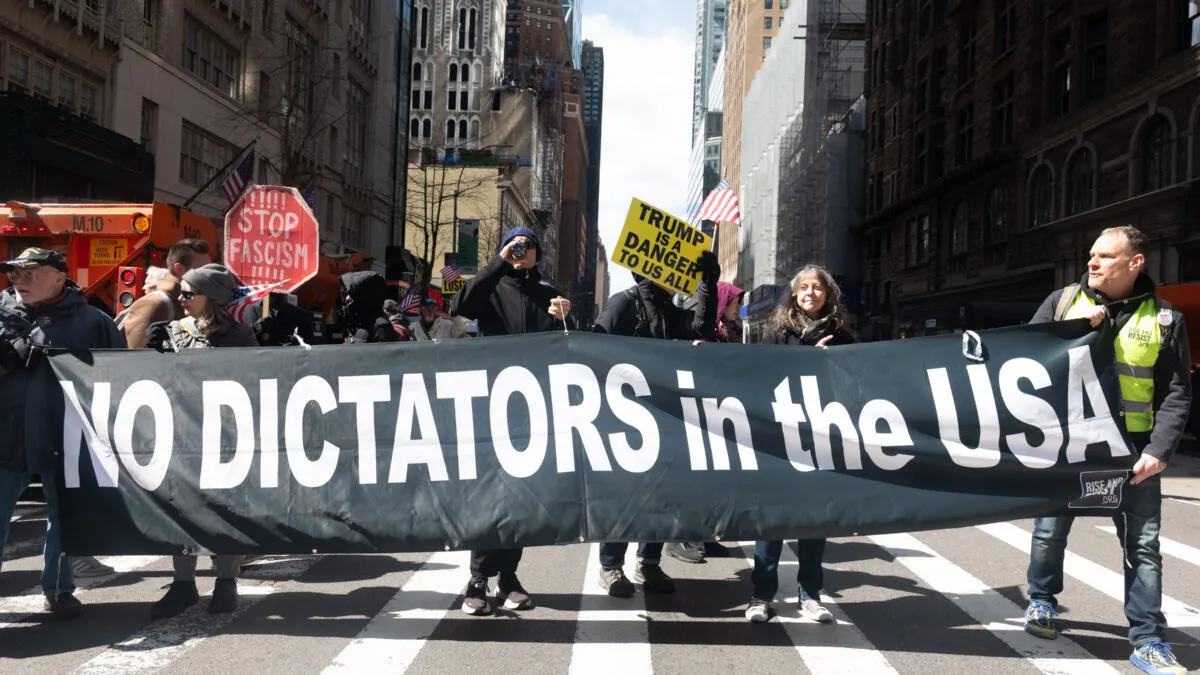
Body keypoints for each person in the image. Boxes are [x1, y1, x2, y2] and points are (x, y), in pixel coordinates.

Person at [1022, 226, 1191, 675]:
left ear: (1135, 263)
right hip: (1071, 444)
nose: (1091, 263)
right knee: (1050, 529)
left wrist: (1159, 451)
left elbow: (1177, 392)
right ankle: (1041, 600)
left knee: (1143, 544)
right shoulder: (1062, 303)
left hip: (1135, 451)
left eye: (1104, 256)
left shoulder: (1165, 317)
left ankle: (1148, 639)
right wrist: (1070, 332)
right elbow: (1023, 362)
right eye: (1091, 254)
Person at [450, 226, 571, 616]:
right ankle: (478, 578)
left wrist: (567, 318)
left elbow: (567, 346)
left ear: (539, 253)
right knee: (490, 494)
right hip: (492, 404)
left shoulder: (548, 293)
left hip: (531, 409)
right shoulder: (490, 285)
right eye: (515, 244)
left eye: (528, 246)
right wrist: (498, 262)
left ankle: (508, 576)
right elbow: (462, 306)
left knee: (521, 497)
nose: (522, 250)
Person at [0, 247, 125, 618]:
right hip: (6, 438)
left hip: (66, 438)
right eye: (13, 273)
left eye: (30, 273)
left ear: (59, 277)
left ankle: (59, 589)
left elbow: (119, 379)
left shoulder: (93, 322)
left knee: (65, 519)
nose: (19, 280)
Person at [591, 249, 721, 597]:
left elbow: (701, 327)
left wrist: (708, 282)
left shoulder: (669, 309)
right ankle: (610, 566)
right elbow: (593, 349)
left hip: (663, 415)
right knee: (623, 495)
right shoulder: (622, 304)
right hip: (623, 415)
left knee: (662, 492)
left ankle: (648, 563)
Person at [146, 264, 256, 618]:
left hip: (224, 439)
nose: (181, 298)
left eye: (189, 293)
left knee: (224, 511)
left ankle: (226, 581)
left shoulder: (241, 338)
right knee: (179, 510)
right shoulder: (166, 333)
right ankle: (183, 584)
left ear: (212, 298)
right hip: (178, 437)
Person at [745, 264, 853, 624]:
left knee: (813, 521)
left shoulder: (842, 337)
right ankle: (761, 595)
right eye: (803, 287)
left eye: (817, 288)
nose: (810, 292)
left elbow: (855, 386)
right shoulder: (776, 334)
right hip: (779, 441)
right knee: (773, 522)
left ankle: (811, 595)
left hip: (822, 441)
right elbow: (760, 381)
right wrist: (806, 356)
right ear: (793, 294)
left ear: (828, 295)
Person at [665, 280, 746, 564]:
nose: (739, 309)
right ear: (721, 303)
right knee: (692, 483)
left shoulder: (729, 333)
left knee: (713, 482)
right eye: (735, 302)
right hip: (693, 418)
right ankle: (680, 538)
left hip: (719, 417)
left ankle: (706, 535)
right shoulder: (699, 334)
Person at [120, 239, 212, 349]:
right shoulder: (153, 305)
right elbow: (138, 359)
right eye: (201, 270)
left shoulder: (191, 300)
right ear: (180, 269)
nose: (209, 275)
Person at [338, 271, 401, 344]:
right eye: (347, 294)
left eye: (352, 294)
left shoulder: (381, 327)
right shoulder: (359, 322)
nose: (347, 298)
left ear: (365, 296)